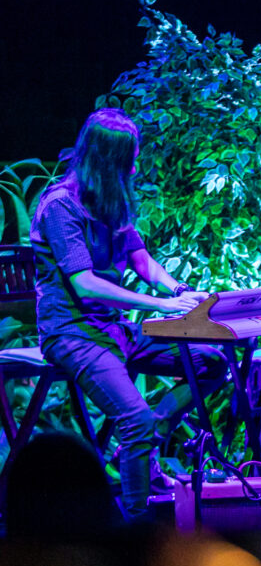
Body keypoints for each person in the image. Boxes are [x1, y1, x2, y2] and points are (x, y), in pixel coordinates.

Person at [31, 108, 227, 519]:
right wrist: (160, 306)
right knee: (132, 420)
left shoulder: (110, 201)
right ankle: (136, 533)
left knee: (211, 362)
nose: (136, 167)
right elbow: (84, 283)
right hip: (73, 333)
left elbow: (142, 261)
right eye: (129, 160)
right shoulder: (60, 207)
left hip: (114, 329)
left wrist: (180, 291)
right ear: (106, 161)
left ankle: (159, 425)